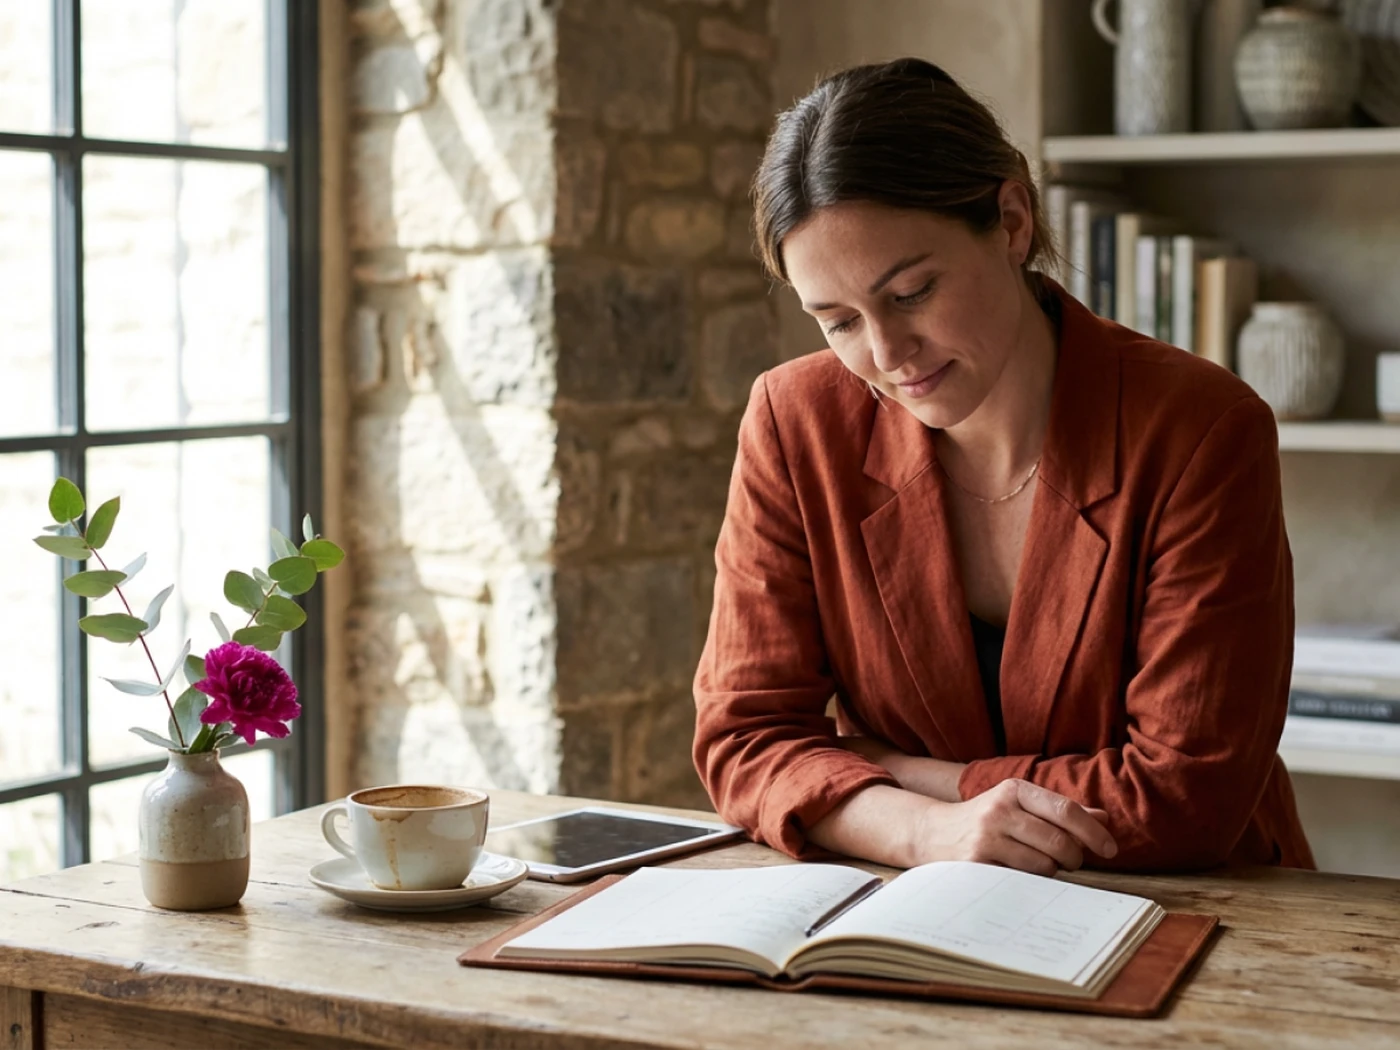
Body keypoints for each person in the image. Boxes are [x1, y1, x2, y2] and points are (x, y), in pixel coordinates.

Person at [691, 58, 1314, 876]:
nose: (886, 354)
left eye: (912, 293)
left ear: (1013, 220)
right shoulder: (794, 423)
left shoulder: (1199, 429)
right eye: (838, 322)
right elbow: (743, 737)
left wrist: (915, 780)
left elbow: (1180, 796)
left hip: (1203, 905)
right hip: (918, 901)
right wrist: (924, 833)